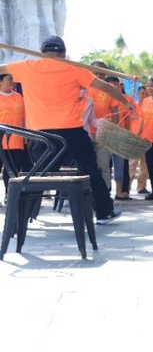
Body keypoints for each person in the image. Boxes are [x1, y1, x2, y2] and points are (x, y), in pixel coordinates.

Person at [0, 36, 132, 224]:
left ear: (41, 52)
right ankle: (104, 212)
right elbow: (108, 89)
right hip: (72, 132)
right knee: (90, 170)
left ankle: (22, 216)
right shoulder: (75, 69)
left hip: (40, 134)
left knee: (38, 175)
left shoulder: (27, 67)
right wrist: (127, 103)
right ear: (64, 53)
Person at [86, 60, 117, 191]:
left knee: (103, 164)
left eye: (102, 74)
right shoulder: (84, 86)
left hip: (104, 132)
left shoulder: (110, 89)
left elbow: (115, 111)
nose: (99, 76)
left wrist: (115, 130)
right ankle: (89, 193)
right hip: (85, 132)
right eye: (96, 73)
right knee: (88, 165)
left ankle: (105, 192)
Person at [0, 73, 29, 191]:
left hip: (16, 141)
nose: (12, 81)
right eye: (9, 79)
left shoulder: (19, 97)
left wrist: (26, 136)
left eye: (14, 78)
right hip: (1, 141)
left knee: (12, 171)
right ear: (0, 81)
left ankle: (10, 195)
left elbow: (24, 118)